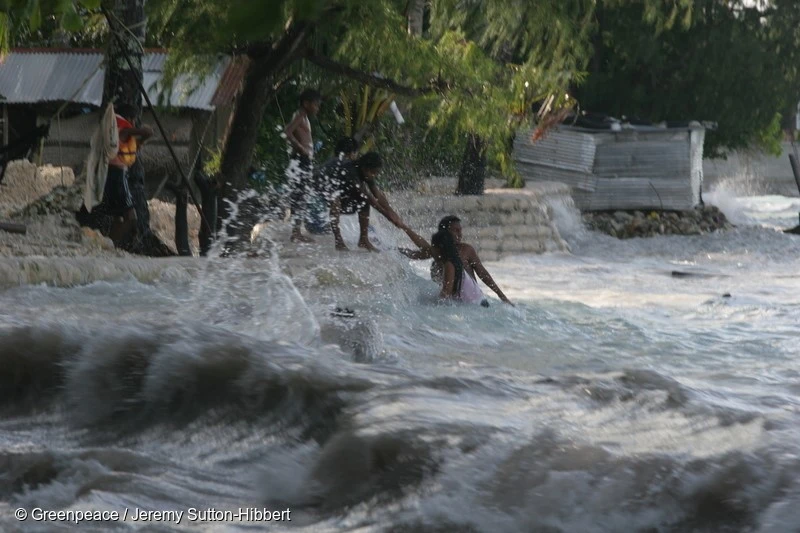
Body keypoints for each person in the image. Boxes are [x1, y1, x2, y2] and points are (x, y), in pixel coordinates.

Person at [399, 215, 513, 306]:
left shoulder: (465, 250)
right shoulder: (441, 253)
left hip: (474, 303)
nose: (460, 234)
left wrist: (502, 297)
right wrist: (394, 248)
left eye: (460, 230)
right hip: (464, 303)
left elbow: (483, 274)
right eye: (456, 230)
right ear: (444, 233)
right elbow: (417, 252)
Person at [328, 151, 406, 252]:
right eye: (373, 172)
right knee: (337, 201)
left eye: (376, 173)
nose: (374, 175)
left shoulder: (366, 173)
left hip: (344, 194)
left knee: (364, 203)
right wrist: (388, 216)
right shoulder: (351, 171)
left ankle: (363, 240)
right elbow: (368, 197)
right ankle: (338, 239)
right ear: (364, 168)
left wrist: (392, 212)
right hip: (324, 193)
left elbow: (377, 194)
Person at [103, 102, 153, 247]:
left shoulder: (121, 133)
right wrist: (144, 130)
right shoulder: (122, 130)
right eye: (133, 119)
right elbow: (147, 132)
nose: (133, 122)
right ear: (129, 118)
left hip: (115, 175)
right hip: (117, 176)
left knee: (118, 217)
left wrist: (141, 139)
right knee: (131, 217)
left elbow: (137, 144)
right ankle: (110, 245)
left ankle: (108, 244)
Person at [284, 88, 322, 243]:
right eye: (315, 104)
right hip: (300, 160)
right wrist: (301, 148)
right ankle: (296, 232)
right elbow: (287, 132)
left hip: (302, 160)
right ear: (306, 103)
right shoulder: (300, 115)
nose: (317, 108)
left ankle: (296, 231)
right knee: (300, 196)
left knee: (301, 196)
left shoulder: (303, 116)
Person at [306, 136, 359, 234]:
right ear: (352, 153)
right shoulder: (345, 166)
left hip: (310, 223)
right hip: (318, 224)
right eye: (356, 153)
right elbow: (335, 201)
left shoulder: (329, 164)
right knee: (368, 230)